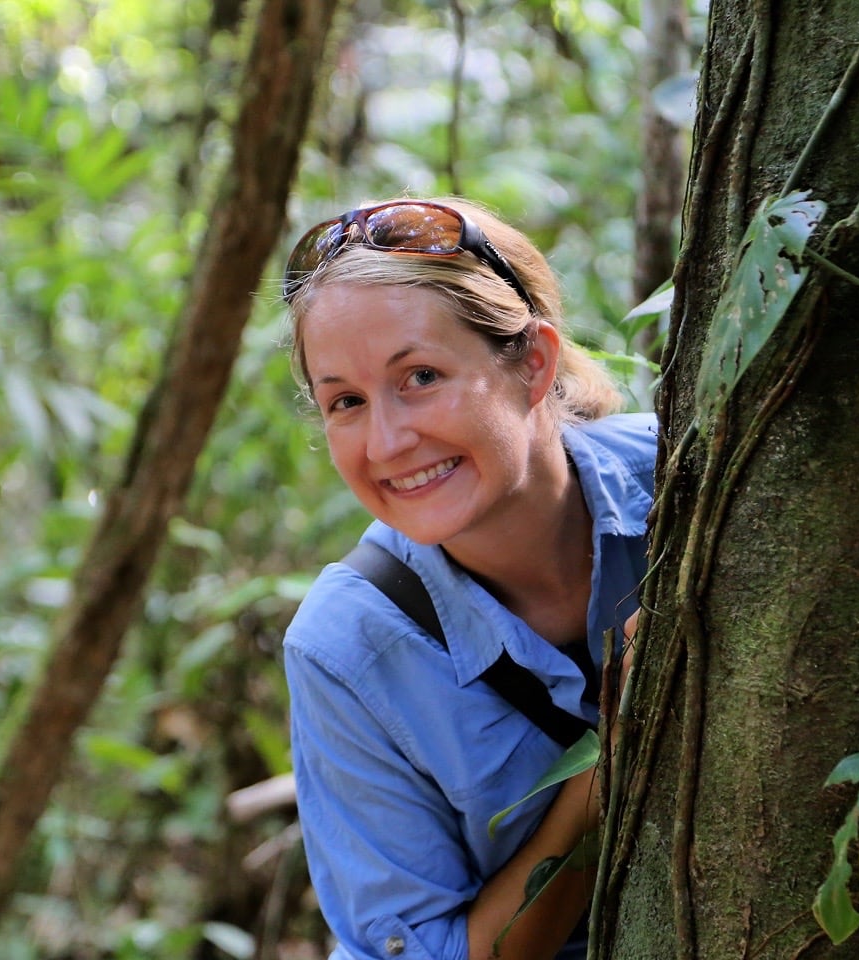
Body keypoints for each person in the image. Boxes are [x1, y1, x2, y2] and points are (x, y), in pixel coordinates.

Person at [280, 198, 657, 960]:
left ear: (533, 364)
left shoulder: (684, 485)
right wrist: (611, 766)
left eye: (420, 376)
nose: (387, 442)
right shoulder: (345, 650)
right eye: (345, 401)